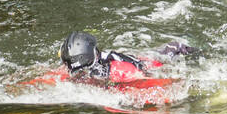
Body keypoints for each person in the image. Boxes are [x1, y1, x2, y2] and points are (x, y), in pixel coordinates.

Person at [58, 31, 196, 86]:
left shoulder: (119, 72)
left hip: (164, 57)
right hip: (136, 58)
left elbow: (152, 82)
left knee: (180, 51)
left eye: (80, 73)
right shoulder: (82, 65)